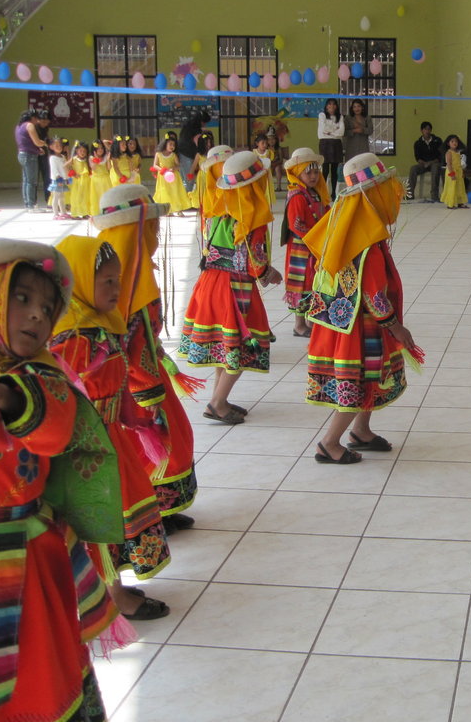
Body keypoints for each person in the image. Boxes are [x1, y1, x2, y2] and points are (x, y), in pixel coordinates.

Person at [0, 238, 122, 722]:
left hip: (29, 555)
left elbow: (54, 430)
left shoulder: (39, 376)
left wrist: (6, 397)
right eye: (21, 298)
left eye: (47, 308)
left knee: (39, 674)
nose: (36, 315)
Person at [51, 235, 172, 620]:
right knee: (101, 517)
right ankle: (113, 596)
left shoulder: (100, 324)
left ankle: (113, 586)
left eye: (117, 280)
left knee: (118, 511)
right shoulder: (72, 338)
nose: (115, 288)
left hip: (109, 437)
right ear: (78, 283)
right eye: (106, 281)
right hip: (87, 449)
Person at [93, 183, 200, 536]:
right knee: (150, 445)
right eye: (152, 225)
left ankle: (164, 507)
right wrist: (146, 391)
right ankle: (149, 513)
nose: (157, 231)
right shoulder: (116, 280)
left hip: (148, 373)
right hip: (133, 384)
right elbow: (124, 344)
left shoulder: (136, 268)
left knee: (175, 439)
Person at [302, 153, 419, 463]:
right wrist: (396, 327)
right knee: (358, 380)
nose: (394, 196)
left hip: (349, 320)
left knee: (370, 376)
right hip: (359, 326)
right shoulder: (366, 241)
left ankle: (361, 431)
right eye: (388, 190)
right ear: (372, 195)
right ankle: (329, 443)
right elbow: (374, 295)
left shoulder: (347, 224)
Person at [178, 150, 282, 425]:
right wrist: (271, 274)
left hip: (209, 284)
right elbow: (255, 264)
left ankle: (219, 397)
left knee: (224, 345)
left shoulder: (217, 209)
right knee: (245, 345)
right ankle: (216, 404)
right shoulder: (252, 217)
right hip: (234, 288)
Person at [282, 147, 330, 337]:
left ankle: (311, 320)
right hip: (301, 249)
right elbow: (296, 225)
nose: (313, 176)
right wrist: (315, 236)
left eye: (316, 172)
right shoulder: (297, 196)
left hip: (315, 246)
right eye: (308, 172)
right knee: (301, 284)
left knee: (313, 282)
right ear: (297, 174)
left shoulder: (316, 193)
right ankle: (299, 324)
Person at [14, 109, 47, 210]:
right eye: (36, 118)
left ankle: (27, 203)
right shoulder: (29, 125)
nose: (37, 121)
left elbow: (26, 142)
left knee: (26, 180)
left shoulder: (19, 126)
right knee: (32, 181)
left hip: (22, 154)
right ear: (32, 118)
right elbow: (37, 142)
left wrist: (37, 150)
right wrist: (45, 143)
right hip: (30, 156)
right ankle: (31, 205)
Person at [151, 132, 190, 216]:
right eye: (170, 144)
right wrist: (162, 170)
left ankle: (179, 210)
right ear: (165, 144)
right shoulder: (158, 154)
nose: (172, 147)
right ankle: (168, 210)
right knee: (165, 192)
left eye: (174, 145)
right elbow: (155, 165)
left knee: (175, 192)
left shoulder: (173, 155)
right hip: (163, 177)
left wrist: (173, 169)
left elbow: (178, 165)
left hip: (173, 177)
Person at [407, 121, 443, 203]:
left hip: (435, 163)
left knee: (435, 168)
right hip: (423, 164)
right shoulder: (418, 143)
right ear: (421, 131)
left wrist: (430, 162)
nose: (427, 131)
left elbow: (440, 156)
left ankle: (434, 195)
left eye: (429, 129)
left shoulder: (437, 141)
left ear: (431, 130)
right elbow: (417, 158)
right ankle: (409, 194)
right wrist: (424, 163)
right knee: (413, 169)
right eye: (425, 129)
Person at [317, 98, 346, 199]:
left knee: (334, 170)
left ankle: (333, 193)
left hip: (336, 143)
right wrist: (335, 129)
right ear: (326, 106)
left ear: (336, 106)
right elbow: (323, 129)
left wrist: (330, 132)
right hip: (325, 143)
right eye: (329, 104)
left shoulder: (340, 117)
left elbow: (341, 132)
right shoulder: (322, 115)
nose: (332, 106)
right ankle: (322, 193)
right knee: (325, 170)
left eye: (334, 104)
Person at [47, 136, 71, 220]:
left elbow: (65, 167)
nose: (59, 147)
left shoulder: (62, 157)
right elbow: (54, 170)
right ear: (51, 147)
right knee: (56, 197)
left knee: (62, 197)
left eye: (60, 145)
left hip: (63, 180)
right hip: (57, 180)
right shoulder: (52, 158)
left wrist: (67, 178)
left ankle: (63, 212)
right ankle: (55, 214)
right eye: (56, 145)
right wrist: (58, 178)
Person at [441, 134, 468, 209]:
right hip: (451, 172)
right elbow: (449, 164)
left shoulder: (458, 152)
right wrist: (452, 174)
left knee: (459, 187)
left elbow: (459, 163)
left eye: (456, 141)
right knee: (452, 187)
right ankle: (450, 204)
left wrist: (462, 172)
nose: (454, 143)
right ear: (448, 143)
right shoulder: (449, 153)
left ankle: (460, 203)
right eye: (452, 141)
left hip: (458, 172)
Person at [88, 140, 114, 217]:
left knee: (107, 196)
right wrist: (96, 159)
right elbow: (93, 168)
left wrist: (108, 159)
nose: (100, 150)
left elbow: (109, 168)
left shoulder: (106, 157)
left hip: (106, 179)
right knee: (96, 197)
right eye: (98, 148)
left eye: (102, 148)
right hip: (96, 180)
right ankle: (96, 212)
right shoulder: (91, 158)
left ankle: (108, 211)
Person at [68, 140, 92, 218]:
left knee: (85, 197)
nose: (82, 152)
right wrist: (73, 173)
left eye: (84, 151)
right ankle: (75, 214)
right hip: (77, 182)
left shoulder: (87, 160)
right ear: (76, 151)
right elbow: (65, 166)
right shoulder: (74, 159)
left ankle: (85, 213)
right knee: (76, 197)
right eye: (80, 150)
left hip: (86, 181)